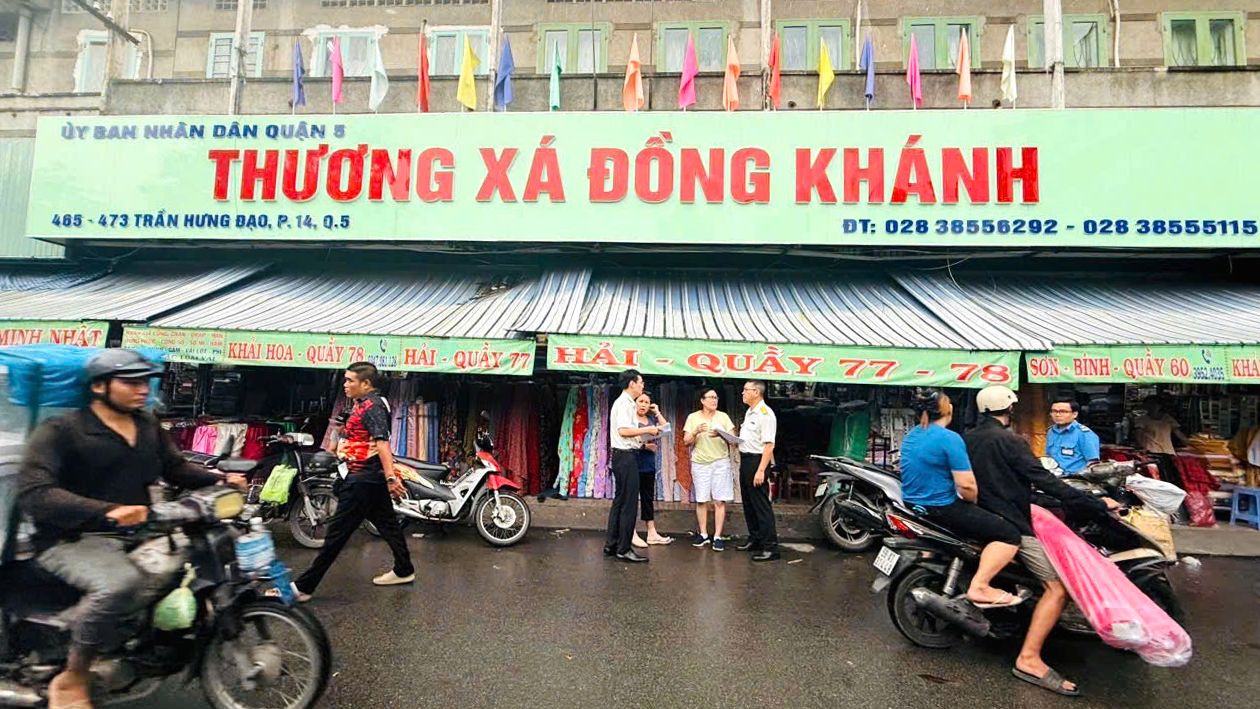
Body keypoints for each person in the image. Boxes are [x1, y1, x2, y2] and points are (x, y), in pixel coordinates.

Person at [18, 350, 245, 709]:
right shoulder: (62, 431)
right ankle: (73, 678)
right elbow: (36, 493)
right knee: (119, 584)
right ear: (99, 386)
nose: (143, 389)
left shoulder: (146, 425)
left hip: (134, 533)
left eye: (145, 381)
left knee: (184, 562)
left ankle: (130, 643)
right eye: (131, 382)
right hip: (70, 538)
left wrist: (218, 479)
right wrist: (107, 510)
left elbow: (175, 469)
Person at [966, 385, 1120, 697]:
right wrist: (1095, 504)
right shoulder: (1011, 441)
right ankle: (1029, 659)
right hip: (1011, 520)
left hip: (981, 514)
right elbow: (1045, 480)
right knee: (1058, 588)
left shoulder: (968, 438)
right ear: (1010, 409)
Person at [290, 362, 415, 600]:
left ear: (366, 384)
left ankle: (303, 587)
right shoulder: (361, 404)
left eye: (350, 380)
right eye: (345, 380)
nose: (345, 385)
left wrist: (391, 477)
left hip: (362, 479)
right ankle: (404, 569)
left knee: (336, 535)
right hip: (367, 477)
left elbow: (382, 443)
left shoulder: (373, 407)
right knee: (388, 525)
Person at [898, 391, 1024, 608]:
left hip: (913, 504)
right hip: (941, 507)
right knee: (1009, 534)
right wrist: (973, 502)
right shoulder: (949, 438)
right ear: (948, 410)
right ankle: (980, 586)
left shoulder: (913, 435)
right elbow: (966, 485)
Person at [605, 369, 658, 563]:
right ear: (632, 384)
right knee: (628, 503)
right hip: (626, 456)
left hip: (623, 456)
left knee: (620, 501)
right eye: (641, 382)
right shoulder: (625, 403)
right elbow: (624, 431)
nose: (642, 386)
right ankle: (624, 548)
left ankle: (612, 544)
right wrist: (647, 429)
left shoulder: (624, 403)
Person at [683, 388, 736, 551]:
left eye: (716, 397)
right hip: (700, 463)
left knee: (719, 500)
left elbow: (733, 440)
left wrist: (721, 434)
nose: (714, 400)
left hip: (720, 462)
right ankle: (703, 534)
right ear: (702, 400)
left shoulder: (723, 417)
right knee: (701, 499)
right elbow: (686, 441)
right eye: (711, 397)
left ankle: (718, 536)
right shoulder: (693, 417)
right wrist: (696, 431)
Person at [736, 381, 780, 562]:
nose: (743, 393)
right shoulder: (750, 411)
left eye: (746, 390)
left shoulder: (765, 414)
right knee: (748, 503)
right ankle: (755, 539)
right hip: (746, 459)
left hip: (757, 461)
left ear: (756, 392)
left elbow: (769, 445)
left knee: (761, 505)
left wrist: (761, 470)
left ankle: (771, 547)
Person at [632, 392, 673, 548]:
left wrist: (657, 412)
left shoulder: (650, 420)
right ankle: (631, 531)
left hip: (648, 464)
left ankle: (651, 532)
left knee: (647, 498)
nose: (643, 404)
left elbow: (667, 429)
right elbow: (626, 439)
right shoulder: (630, 419)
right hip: (633, 463)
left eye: (646, 402)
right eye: (640, 401)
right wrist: (644, 446)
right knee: (631, 499)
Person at [1045, 398, 1101, 476]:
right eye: (1054, 411)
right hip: (1053, 477)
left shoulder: (1084, 434)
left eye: (1063, 411)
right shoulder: (1051, 432)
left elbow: (1093, 464)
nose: (1057, 415)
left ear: (1075, 414)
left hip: (1075, 479)